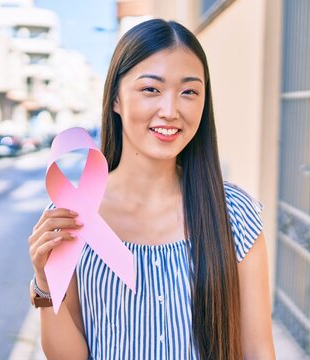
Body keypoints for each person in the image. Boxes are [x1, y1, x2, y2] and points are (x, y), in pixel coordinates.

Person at [28, 19, 275, 359]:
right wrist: (45, 283)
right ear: (116, 98)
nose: (170, 111)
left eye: (189, 91)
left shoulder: (234, 212)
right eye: (151, 89)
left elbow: (259, 349)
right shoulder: (71, 215)